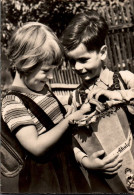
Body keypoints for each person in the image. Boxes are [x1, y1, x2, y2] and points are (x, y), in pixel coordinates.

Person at [1, 22, 90, 193]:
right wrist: (68, 120)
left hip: (67, 169)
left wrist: (70, 110)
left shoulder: (41, 88)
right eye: (45, 70)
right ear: (25, 63)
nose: (51, 77)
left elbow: (51, 116)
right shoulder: (13, 102)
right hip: (45, 179)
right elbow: (36, 145)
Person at [61, 10, 134, 192]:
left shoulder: (123, 79)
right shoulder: (77, 96)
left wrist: (116, 95)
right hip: (104, 181)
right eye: (72, 61)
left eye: (84, 60)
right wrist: (87, 162)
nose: (77, 67)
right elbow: (73, 139)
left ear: (102, 53)